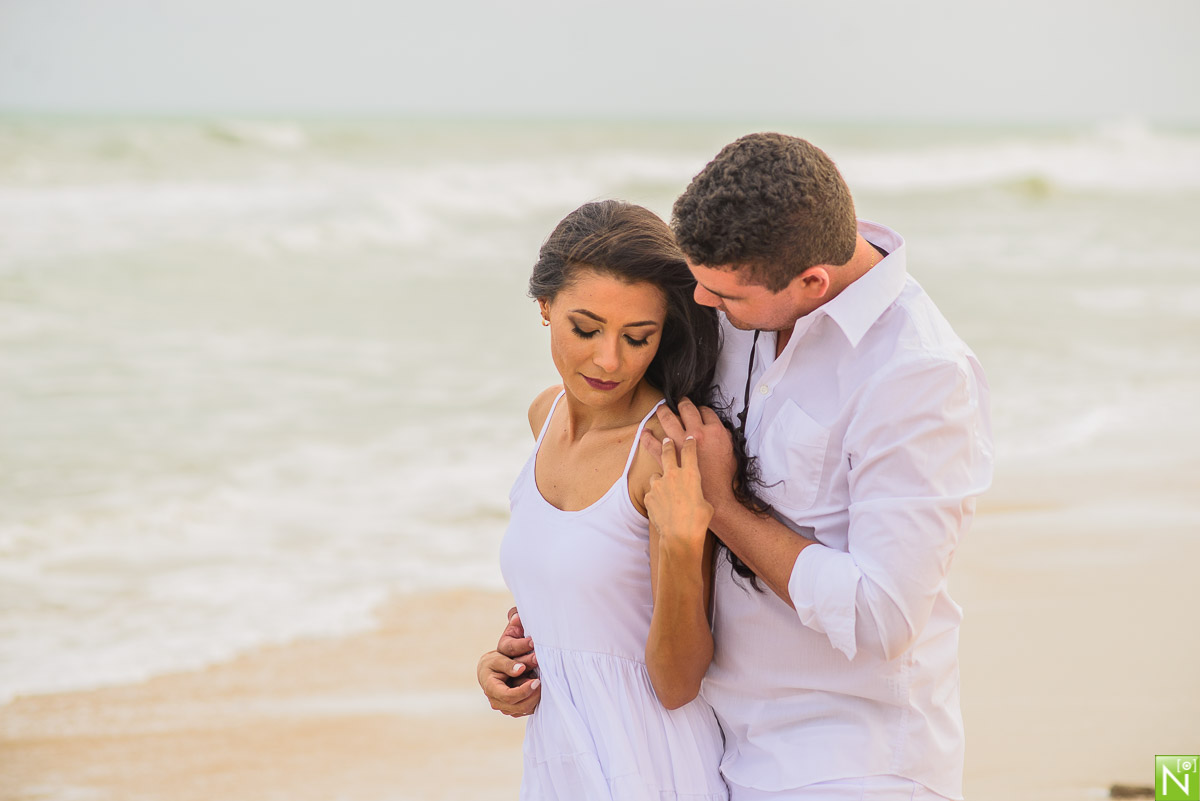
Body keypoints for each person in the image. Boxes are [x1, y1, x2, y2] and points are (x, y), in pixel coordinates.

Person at [481, 133, 994, 801]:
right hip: (716, 744)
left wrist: (721, 504)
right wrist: (545, 630)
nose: (697, 305)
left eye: (723, 296)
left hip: (848, 755)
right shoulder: (737, 292)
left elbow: (881, 616)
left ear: (812, 282)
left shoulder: (918, 374)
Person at [484, 199, 761, 800]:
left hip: (648, 764)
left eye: (638, 338)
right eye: (585, 329)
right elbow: (575, 601)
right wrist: (506, 667)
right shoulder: (544, 415)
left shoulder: (663, 451)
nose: (609, 360)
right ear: (544, 307)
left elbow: (676, 682)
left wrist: (686, 543)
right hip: (561, 758)